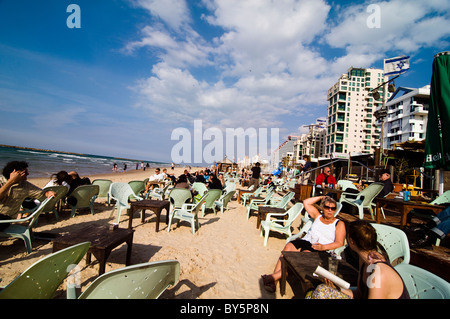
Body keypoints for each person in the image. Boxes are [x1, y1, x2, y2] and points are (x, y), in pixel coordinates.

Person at [261, 196, 346, 293]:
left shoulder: (338, 224)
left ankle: (273, 277)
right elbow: (306, 202)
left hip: (321, 248)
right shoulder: (318, 216)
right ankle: (274, 282)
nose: (330, 210)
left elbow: (339, 243)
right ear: (322, 208)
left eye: (333, 208)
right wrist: (322, 197)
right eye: (327, 207)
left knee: (300, 259)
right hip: (306, 241)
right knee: (287, 248)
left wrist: (323, 247)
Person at [310, 220, 410, 299]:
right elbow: (359, 295)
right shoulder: (365, 261)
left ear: (351, 241)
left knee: (320, 293)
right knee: (323, 289)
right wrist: (337, 289)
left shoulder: (378, 273)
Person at [0, 161, 56, 226]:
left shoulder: (25, 186)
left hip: (4, 219)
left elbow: (42, 193)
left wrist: (48, 192)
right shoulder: (1, 181)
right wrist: (10, 182)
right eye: (25, 172)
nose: (28, 174)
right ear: (15, 173)